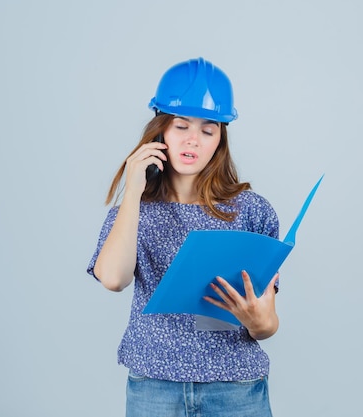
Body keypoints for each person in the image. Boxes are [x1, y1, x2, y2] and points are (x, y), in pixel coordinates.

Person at [87, 57, 280, 417]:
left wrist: (255, 319)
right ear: (160, 130)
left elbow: (268, 324)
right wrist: (133, 190)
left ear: (220, 138)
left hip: (235, 389)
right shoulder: (131, 213)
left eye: (208, 130)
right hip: (154, 389)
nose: (193, 139)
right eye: (181, 126)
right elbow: (113, 279)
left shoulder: (252, 212)